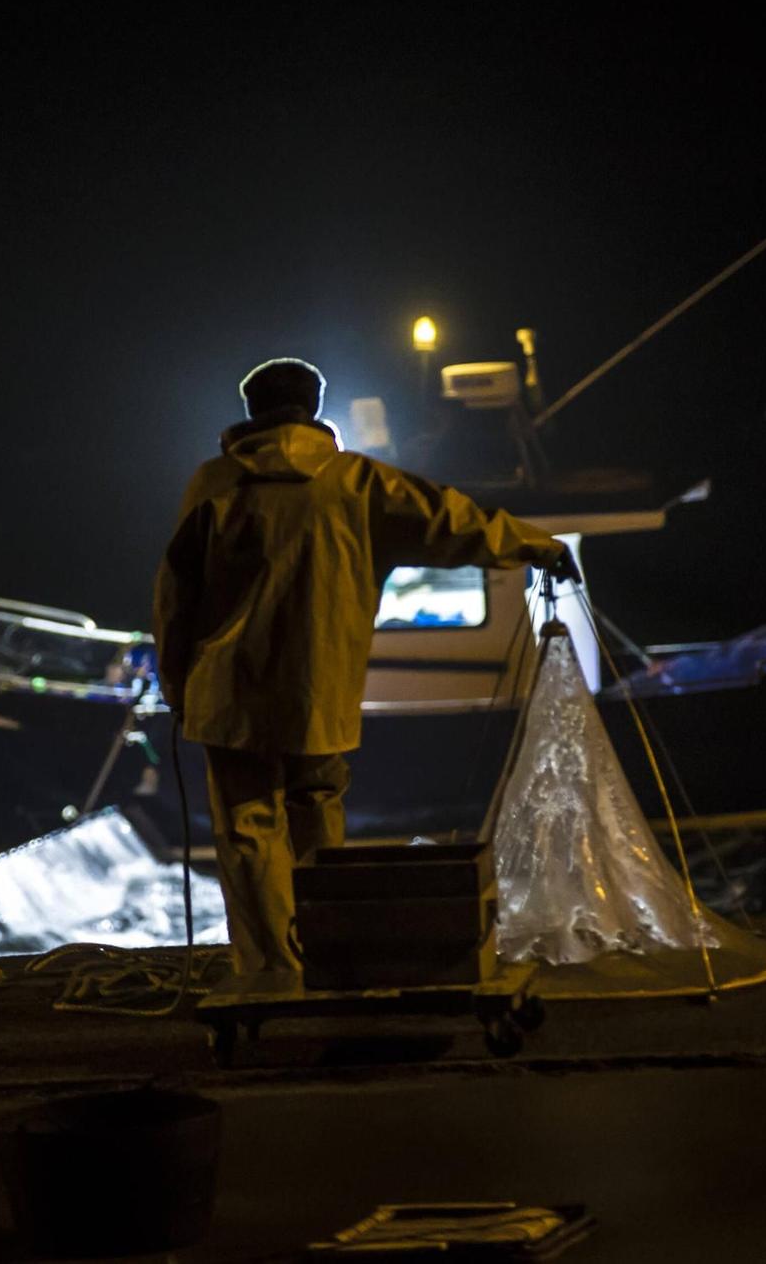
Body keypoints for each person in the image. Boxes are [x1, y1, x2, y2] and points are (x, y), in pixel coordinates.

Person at [153, 357, 575, 978]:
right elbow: (455, 523)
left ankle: (271, 972)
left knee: (248, 831)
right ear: (315, 409)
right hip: (318, 691)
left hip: (228, 693)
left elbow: (175, 597)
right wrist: (538, 544)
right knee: (318, 815)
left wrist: (175, 682)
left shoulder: (213, 485)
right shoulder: (359, 484)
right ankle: (328, 951)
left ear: (250, 413)